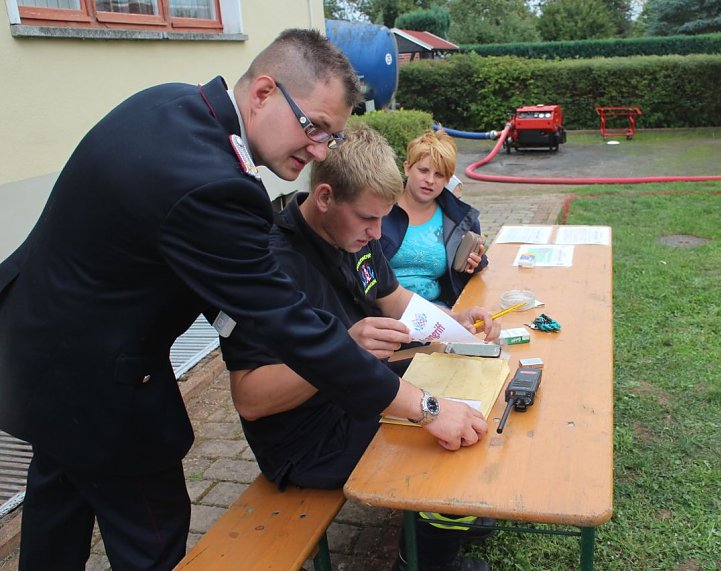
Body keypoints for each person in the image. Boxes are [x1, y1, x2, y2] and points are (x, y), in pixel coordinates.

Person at [0, 30, 486, 571]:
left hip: (32, 350)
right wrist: (428, 407)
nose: (319, 151)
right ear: (262, 93)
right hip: (98, 388)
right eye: (315, 128)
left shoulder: (169, 103)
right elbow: (295, 329)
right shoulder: (217, 187)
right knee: (151, 536)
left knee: (55, 514)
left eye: (331, 135)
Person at [224, 122, 498, 571]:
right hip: (307, 440)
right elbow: (250, 399)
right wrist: (341, 349)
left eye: (382, 219)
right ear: (326, 196)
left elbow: (394, 300)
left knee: (467, 386)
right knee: (446, 453)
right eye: (369, 219)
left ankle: (448, 518)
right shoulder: (268, 265)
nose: (376, 233)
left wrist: (456, 322)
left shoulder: (354, 237)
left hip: (357, 395)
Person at [381, 129, 487, 308]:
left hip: (437, 311)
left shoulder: (459, 218)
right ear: (407, 168)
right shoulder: (379, 209)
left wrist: (475, 263)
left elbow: (466, 275)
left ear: (448, 180)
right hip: (382, 311)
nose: (430, 180)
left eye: (439, 175)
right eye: (423, 170)